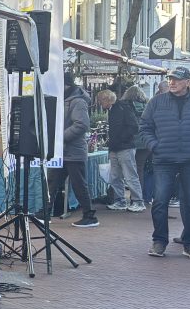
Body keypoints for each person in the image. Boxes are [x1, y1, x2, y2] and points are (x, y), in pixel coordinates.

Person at [139, 66, 190, 260]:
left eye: (177, 79)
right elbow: (144, 127)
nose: (172, 82)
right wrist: (154, 145)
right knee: (159, 201)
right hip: (163, 159)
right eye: (170, 79)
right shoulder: (156, 102)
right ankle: (159, 241)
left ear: (187, 82)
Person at [44, 74, 98, 227]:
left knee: (78, 184)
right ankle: (45, 212)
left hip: (72, 150)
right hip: (62, 150)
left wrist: (60, 138)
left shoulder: (77, 101)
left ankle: (90, 216)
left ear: (65, 85)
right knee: (52, 182)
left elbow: (81, 125)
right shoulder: (66, 99)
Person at [97, 89, 143, 213]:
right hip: (116, 147)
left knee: (129, 175)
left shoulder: (123, 108)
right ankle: (120, 200)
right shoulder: (114, 109)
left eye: (101, 101)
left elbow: (134, 127)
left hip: (124, 147)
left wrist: (120, 139)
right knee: (115, 176)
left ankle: (138, 201)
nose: (100, 104)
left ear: (107, 100)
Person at [126, 86, 152, 204]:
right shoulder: (148, 106)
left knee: (134, 170)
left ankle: (136, 196)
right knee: (143, 169)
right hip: (146, 142)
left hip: (132, 142)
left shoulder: (127, 107)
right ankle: (144, 196)